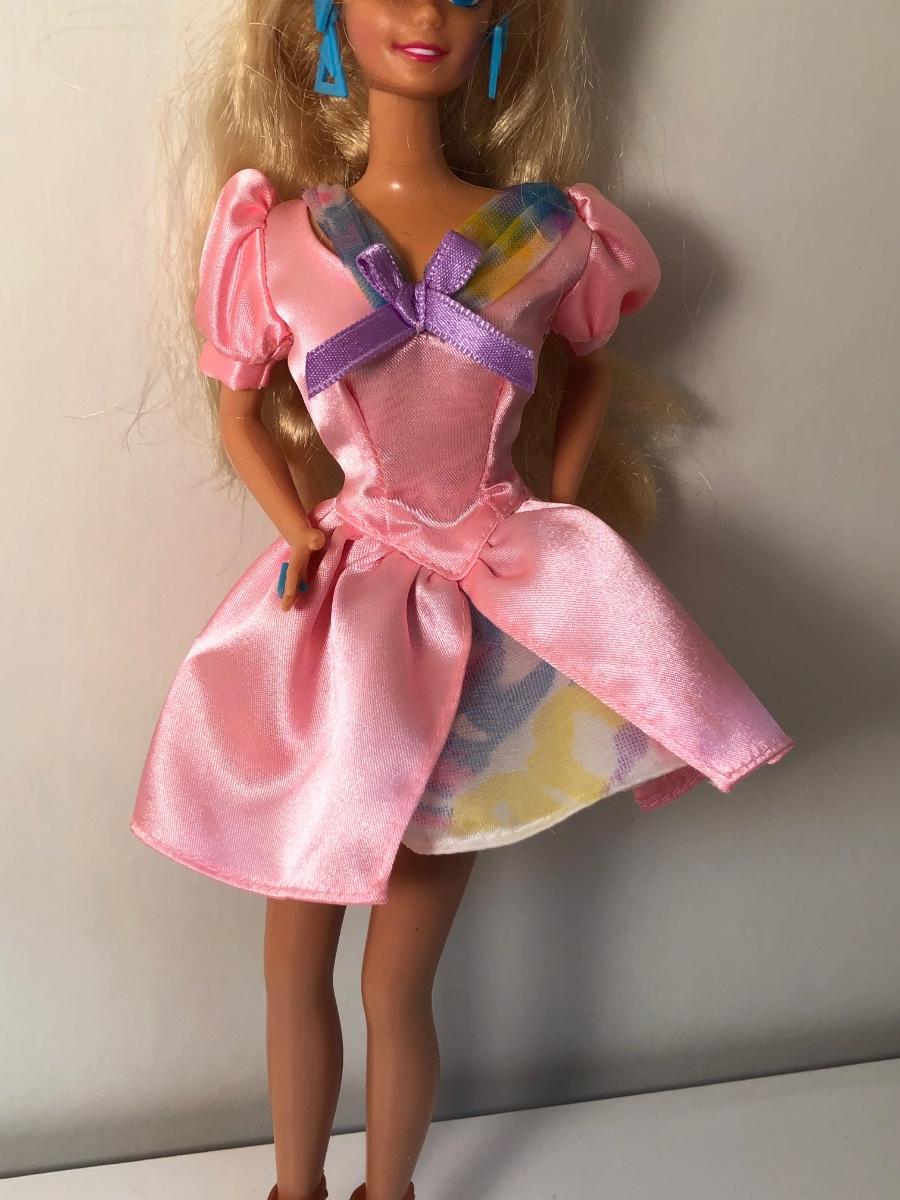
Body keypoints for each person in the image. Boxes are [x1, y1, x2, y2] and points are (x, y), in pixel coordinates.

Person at [131, 3, 794, 1198]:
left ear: (499, 22)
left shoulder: (549, 232)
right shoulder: (276, 236)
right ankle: (294, 1188)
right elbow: (239, 411)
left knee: (397, 979)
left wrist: (555, 503)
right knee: (292, 958)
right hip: (338, 625)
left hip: (479, 615)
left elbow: (589, 374)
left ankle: (387, 1191)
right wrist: (299, 530)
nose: (428, 13)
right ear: (327, 20)